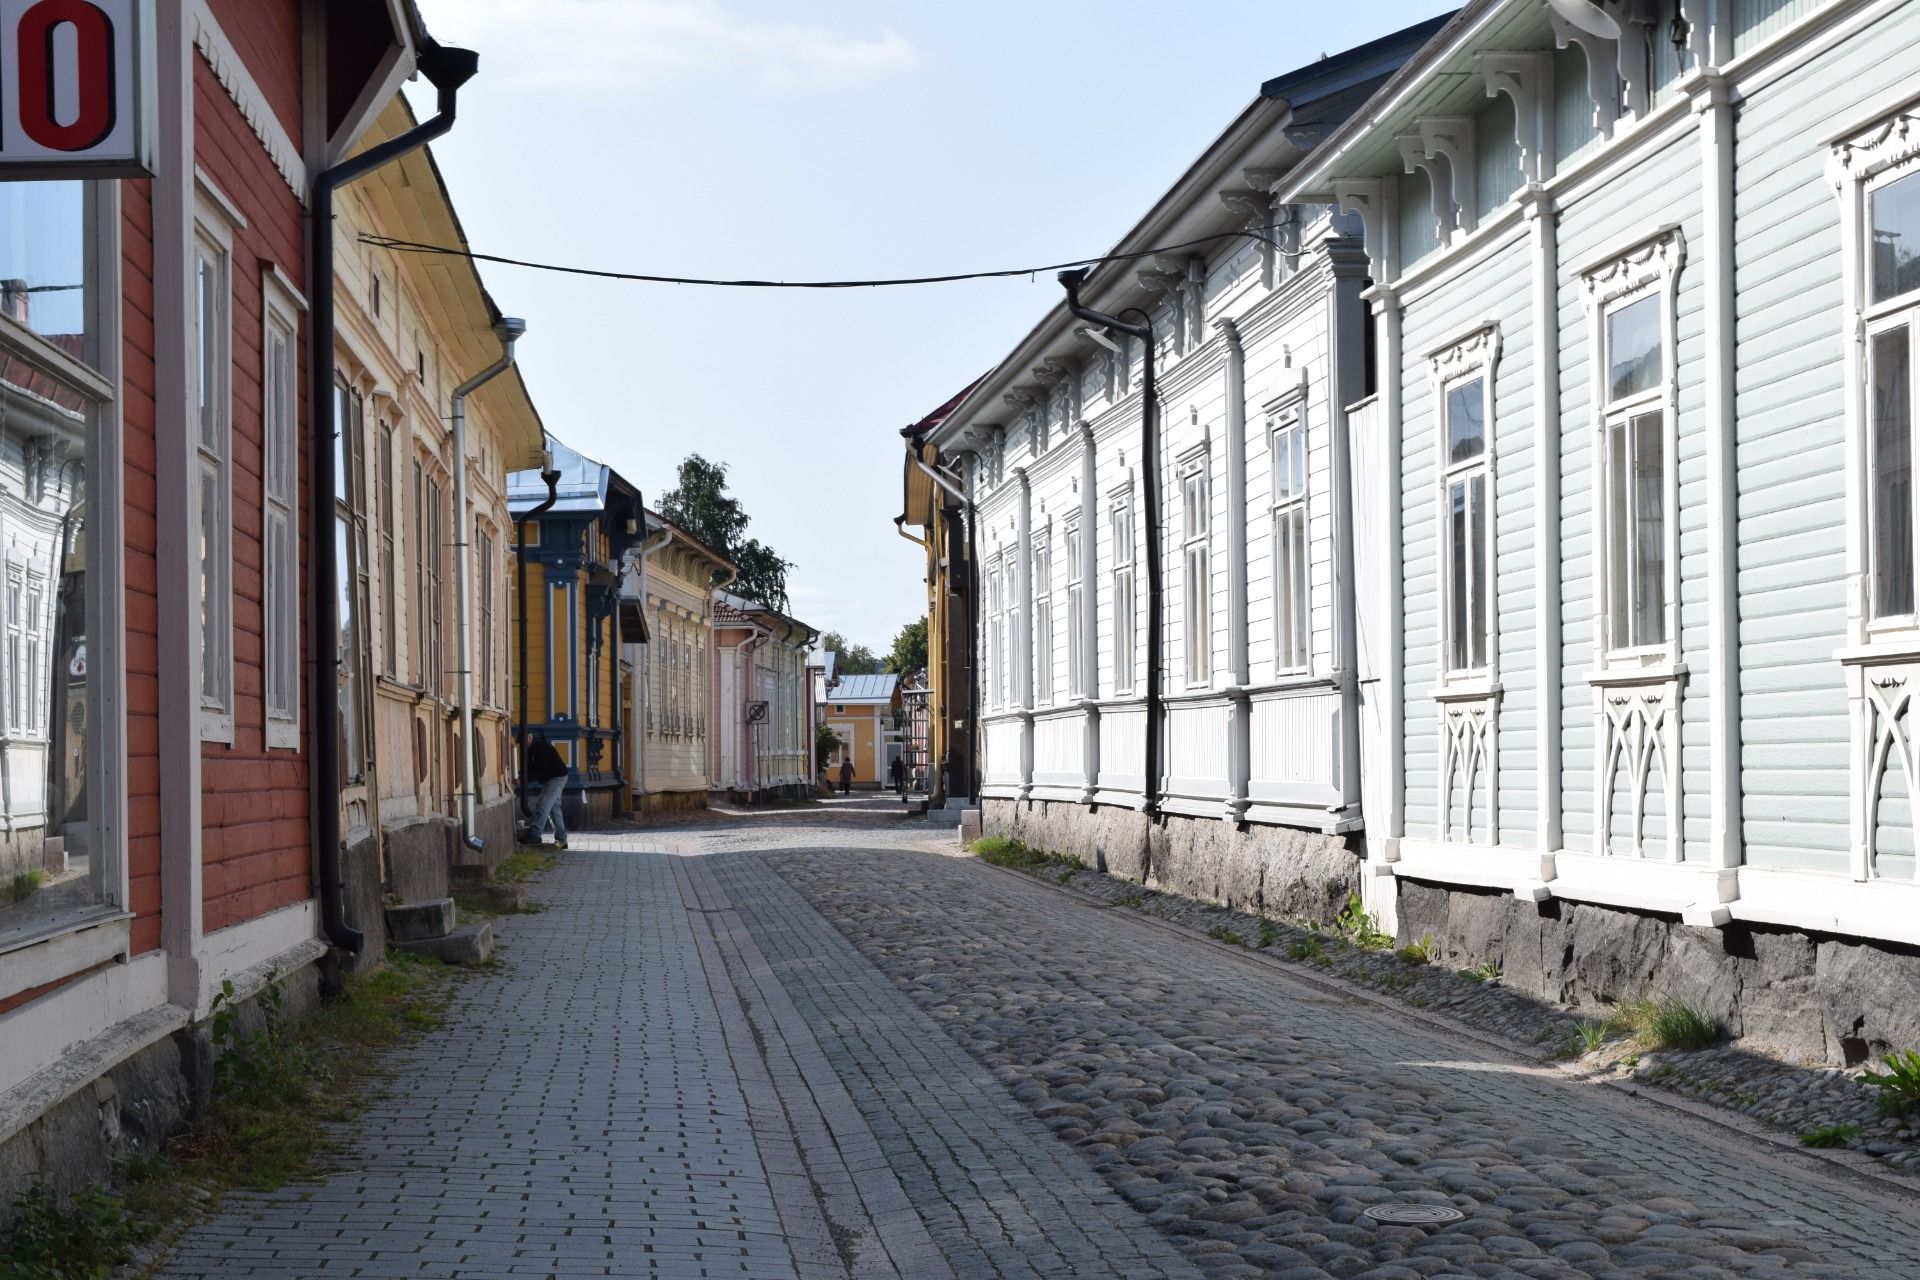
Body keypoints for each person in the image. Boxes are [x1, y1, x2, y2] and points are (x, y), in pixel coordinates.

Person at [524, 733, 571, 850]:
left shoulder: (542, 747)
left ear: (530, 737)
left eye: (524, 741)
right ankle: (561, 840)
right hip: (554, 777)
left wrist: (524, 779)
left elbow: (539, 770)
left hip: (556, 777)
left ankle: (535, 834)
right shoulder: (532, 749)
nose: (523, 745)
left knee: (544, 803)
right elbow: (530, 767)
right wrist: (523, 777)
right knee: (554, 809)